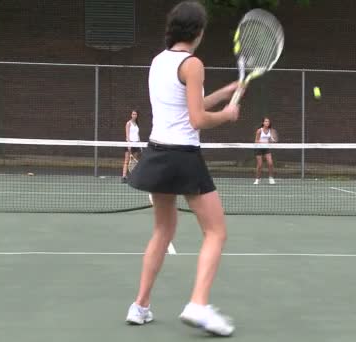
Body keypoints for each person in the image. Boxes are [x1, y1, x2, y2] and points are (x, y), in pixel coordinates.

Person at [125, 1, 240, 336]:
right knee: (216, 232)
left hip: (157, 153)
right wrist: (228, 116)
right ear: (199, 32)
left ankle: (140, 306)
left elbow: (187, 104)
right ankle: (199, 304)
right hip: (184, 156)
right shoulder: (193, 64)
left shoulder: (159, 61)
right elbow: (197, 119)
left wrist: (225, 93)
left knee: (162, 231)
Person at [253, 117, 277, 185]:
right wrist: (262, 143)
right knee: (260, 165)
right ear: (263, 123)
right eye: (266, 121)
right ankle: (257, 179)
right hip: (258, 148)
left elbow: (270, 140)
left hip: (266, 148)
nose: (267, 123)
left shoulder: (271, 131)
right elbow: (256, 141)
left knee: (270, 163)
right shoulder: (259, 131)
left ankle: (271, 178)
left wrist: (271, 141)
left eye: (268, 121)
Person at [121, 109, 141, 183]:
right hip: (130, 144)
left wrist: (140, 144)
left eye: (135, 114)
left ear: (137, 115)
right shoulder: (128, 123)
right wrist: (129, 144)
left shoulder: (137, 124)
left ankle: (133, 177)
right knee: (126, 161)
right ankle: (124, 177)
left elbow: (137, 135)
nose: (134, 115)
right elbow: (127, 134)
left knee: (134, 162)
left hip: (136, 144)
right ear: (131, 115)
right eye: (133, 114)